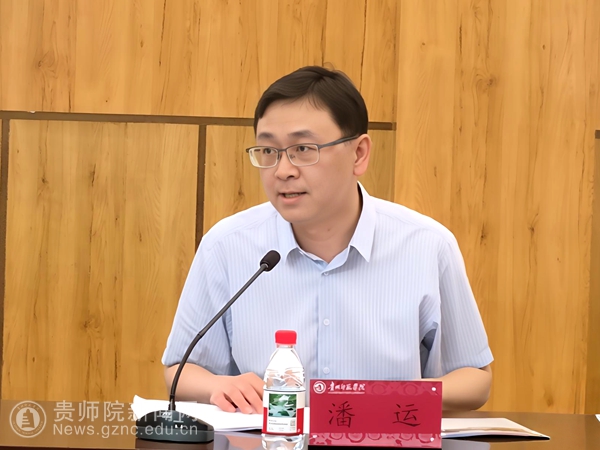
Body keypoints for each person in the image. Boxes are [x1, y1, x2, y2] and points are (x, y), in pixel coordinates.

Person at [161, 66, 493, 415]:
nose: (283, 171)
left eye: (303, 149)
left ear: (359, 154)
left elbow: (474, 378)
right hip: (270, 437)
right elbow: (179, 371)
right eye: (269, 151)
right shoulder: (227, 245)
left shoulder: (427, 245)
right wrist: (218, 386)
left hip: (384, 436)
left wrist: (385, 399)